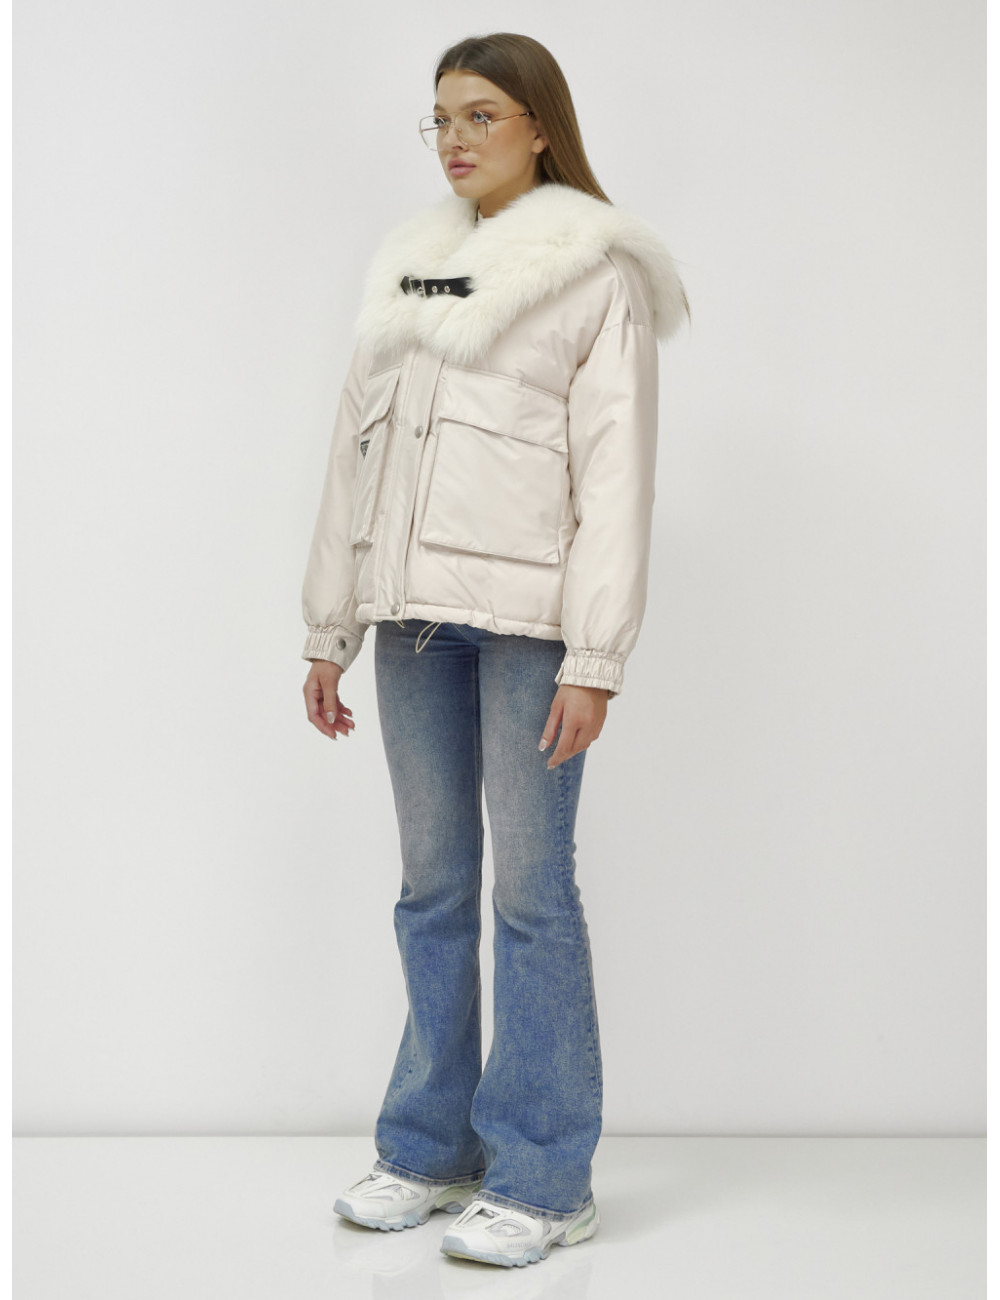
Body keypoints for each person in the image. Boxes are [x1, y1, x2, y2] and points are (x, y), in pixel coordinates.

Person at [300, 32, 689, 1269]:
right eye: (440, 118)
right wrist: (329, 624)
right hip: (410, 627)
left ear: (539, 126)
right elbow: (353, 454)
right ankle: (428, 1147)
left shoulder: (591, 272)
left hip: (530, 633)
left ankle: (543, 1174)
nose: (455, 138)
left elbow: (616, 475)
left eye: (481, 114)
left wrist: (595, 658)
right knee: (430, 888)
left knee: (530, 893)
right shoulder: (413, 270)